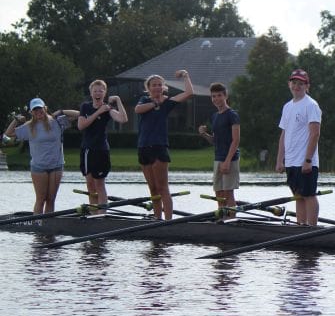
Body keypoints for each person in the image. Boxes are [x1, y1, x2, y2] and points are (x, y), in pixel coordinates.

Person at [135, 70, 194, 220]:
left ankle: (167, 220)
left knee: (162, 187)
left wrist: (185, 76)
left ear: (163, 87)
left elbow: (188, 92)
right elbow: (137, 110)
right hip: (143, 147)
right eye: (154, 85)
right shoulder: (143, 100)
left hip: (159, 147)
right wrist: (155, 102)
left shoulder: (167, 103)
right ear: (148, 88)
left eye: (159, 85)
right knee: (153, 188)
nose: (157, 87)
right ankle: (156, 218)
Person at [4, 98, 78, 214]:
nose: (38, 111)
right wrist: (16, 120)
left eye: (40, 108)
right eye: (35, 110)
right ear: (31, 112)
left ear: (45, 109)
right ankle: (37, 226)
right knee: (41, 199)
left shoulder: (57, 122)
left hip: (56, 166)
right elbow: (8, 133)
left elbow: (79, 115)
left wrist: (61, 111)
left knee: (51, 199)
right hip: (39, 167)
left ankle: (48, 226)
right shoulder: (29, 127)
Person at [276, 69, 321, 226]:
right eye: (294, 83)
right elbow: (283, 135)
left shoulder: (311, 105)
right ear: (289, 84)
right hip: (291, 161)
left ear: (307, 86)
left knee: (308, 195)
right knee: (298, 195)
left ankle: (312, 228)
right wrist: (279, 160)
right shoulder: (287, 107)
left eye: (300, 84)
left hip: (305, 161)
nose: (297, 86)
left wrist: (308, 160)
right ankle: (300, 226)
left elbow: (315, 134)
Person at [77, 80, 129, 214]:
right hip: (88, 149)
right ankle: (93, 212)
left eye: (100, 91)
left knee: (100, 184)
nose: (98, 93)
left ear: (105, 93)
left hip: (101, 150)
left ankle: (102, 215)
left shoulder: (108, 109)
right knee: (90, 184)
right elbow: (81, 125)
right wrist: (97, 112)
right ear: (91, 93)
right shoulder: (85, 107)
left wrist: (117, 101)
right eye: (95, 91)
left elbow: (123, 119)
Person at [198, 82, 240, 219]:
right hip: (218, 158)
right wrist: (204, 134)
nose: (216, 99)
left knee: (228, 193)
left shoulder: (232, 115)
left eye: (219, 96)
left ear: (225, 96)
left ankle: (231, 220)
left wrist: (227, 161)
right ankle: (222, 218)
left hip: (230, 159)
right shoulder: (215, 116)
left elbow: (236, 140)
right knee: (219, 192)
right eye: (213, 96)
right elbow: (215, 140)